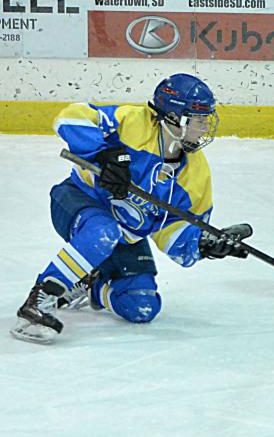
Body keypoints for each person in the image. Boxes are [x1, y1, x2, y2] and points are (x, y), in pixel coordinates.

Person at [11, 74, 252, 344]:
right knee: (103, 230)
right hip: (77, 202)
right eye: (198, 120)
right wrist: (103, 153)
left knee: (142, 306)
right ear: (173, 117)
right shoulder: (133, 122)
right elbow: (70, 117)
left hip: (124, 237)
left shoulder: (195, 176)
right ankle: (40, 299)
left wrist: (205, 243)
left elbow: (171, 233)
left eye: (206, 119)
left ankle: (93, 285)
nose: (205, 127)